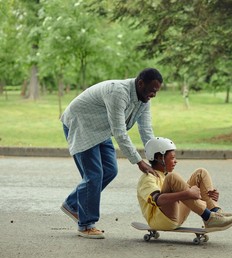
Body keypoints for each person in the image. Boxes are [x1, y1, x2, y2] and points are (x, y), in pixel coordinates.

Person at [60, 68, 163, 239]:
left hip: (101, 129)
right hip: (81, 124)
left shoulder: (144, 99)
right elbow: (120, 132)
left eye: (156, 91)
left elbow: (146, 130)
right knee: (94, 175)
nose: (154, 94)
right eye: (152, 90)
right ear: (140, 83)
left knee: (110, 170)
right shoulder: (118, 92)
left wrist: (155, 157)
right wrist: (139, 162)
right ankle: (86, 225)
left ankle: (72, 205)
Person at [137, 137, 232, 232]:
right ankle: (209, 217)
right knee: (173, 177)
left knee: (201, 173)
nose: (175, 161)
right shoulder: (148, 178)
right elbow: (158, 200)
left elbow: (190, 197)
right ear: (160, 158)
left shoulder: (164, 175)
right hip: (160, 221)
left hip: (174, 215)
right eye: (172, 157)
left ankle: (216, 213)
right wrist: (188, 194)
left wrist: (206, 195)